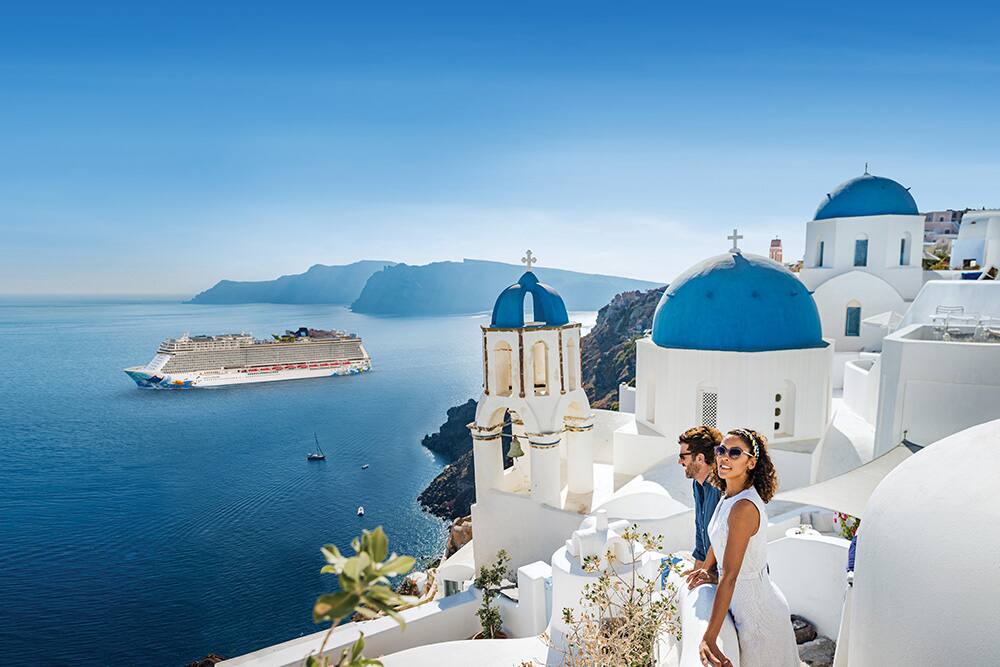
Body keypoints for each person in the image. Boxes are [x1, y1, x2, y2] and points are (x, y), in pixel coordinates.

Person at [685, 428, 799, 667]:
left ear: (751, 462)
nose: (724, 457)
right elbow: (719, 539)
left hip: (759, 614)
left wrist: (709, 637)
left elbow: (729, 575)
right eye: (721, 450)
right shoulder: (728, 495)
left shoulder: (743, 507)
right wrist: (706, 568)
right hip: (745, 608)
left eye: (735, 452)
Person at [677, 425, 723, 570]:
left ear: (700, 458)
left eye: (682, 457)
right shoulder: (697, 485)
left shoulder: (721, 488)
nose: (680, 462)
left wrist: (703, 572)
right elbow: (701, 534)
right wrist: (696, 572)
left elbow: (720, 539)